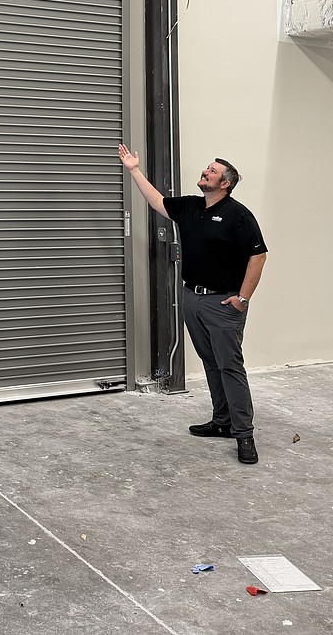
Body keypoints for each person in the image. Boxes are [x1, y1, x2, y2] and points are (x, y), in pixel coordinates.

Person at [118, 144, 268, 465]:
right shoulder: (189, 207)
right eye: (206, 168)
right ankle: (222, 421)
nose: (205, 172)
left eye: (212, 171)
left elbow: (258, 256)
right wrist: (133, 169)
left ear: (225, 183)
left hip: (223, 303)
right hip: (191, 298)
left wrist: (243, 298)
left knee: (230, 366)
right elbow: (156, 200)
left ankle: (244, 435)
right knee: (211, 363)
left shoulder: (238, 215)